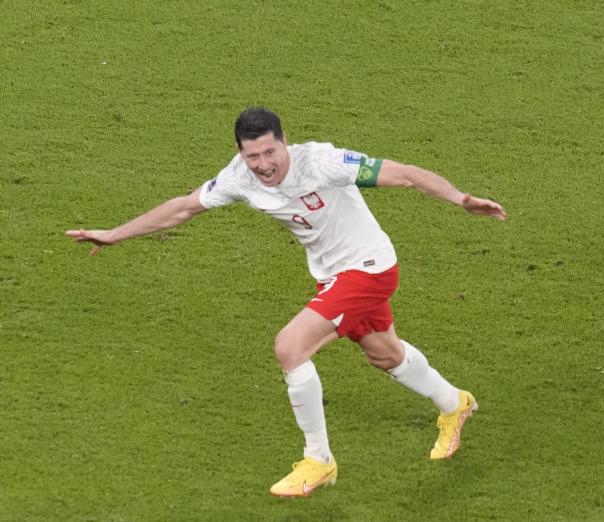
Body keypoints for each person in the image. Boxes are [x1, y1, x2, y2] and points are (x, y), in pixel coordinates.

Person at [66, 107, 506, 498]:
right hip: (334, 275)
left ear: (284, 142)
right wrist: (114, 234)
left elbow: (406, 173)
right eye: (252, 156)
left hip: (369, 269)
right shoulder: (239, 177)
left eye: (269, 153)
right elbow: (181, 209)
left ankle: (319, 461)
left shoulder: (323, 162)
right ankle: (455, 404)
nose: (262, 165)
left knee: (290, 347)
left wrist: (461, 199)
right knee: (385, 354)